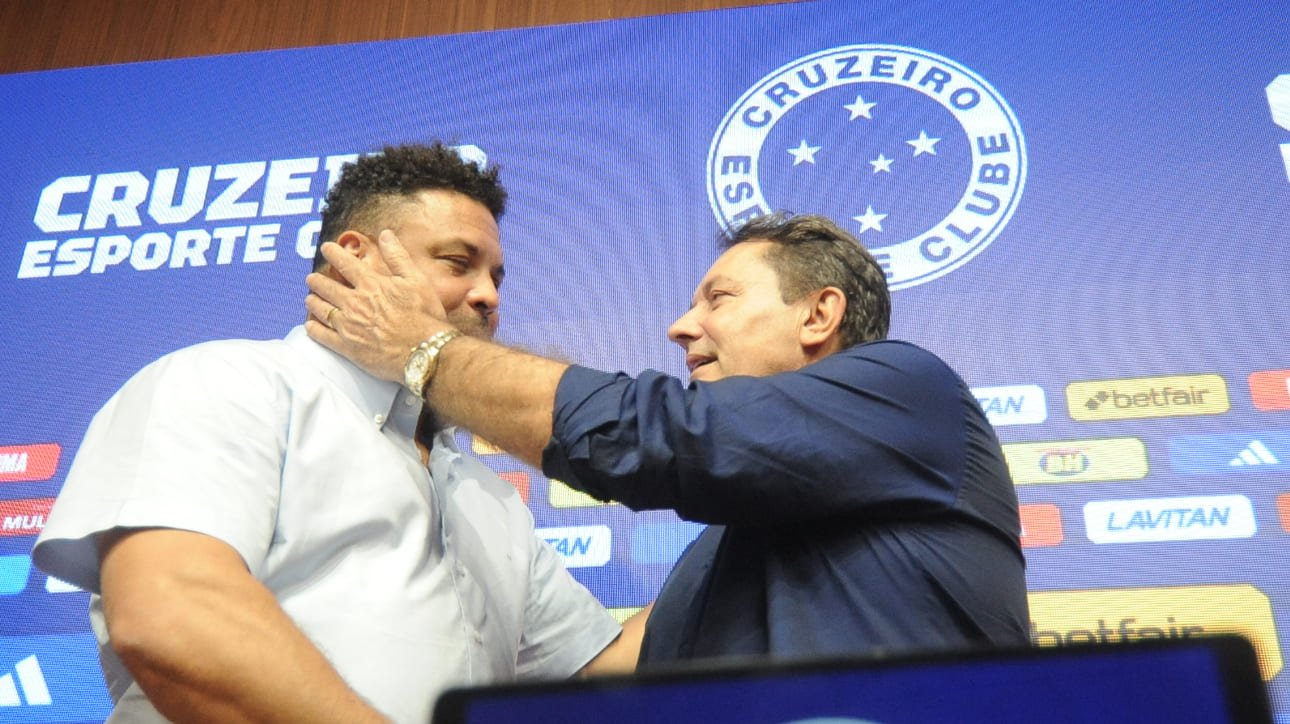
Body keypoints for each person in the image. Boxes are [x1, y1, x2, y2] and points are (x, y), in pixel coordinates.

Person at [33, 142, 638, 723]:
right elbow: (171, 617)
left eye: (497, 278)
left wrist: (729, 503)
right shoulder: (226, 383)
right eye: (458, 263)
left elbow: (594, 675)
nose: (487, 295)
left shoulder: (488, 493)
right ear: (355, 257)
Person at [303, 211, 1031, 666]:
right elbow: (612, 676)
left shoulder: (904, 387)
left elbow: (651, 437)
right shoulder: (728, 548)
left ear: (818, 316)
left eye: (719, 298)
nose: (681, 327)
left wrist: (422, 349)